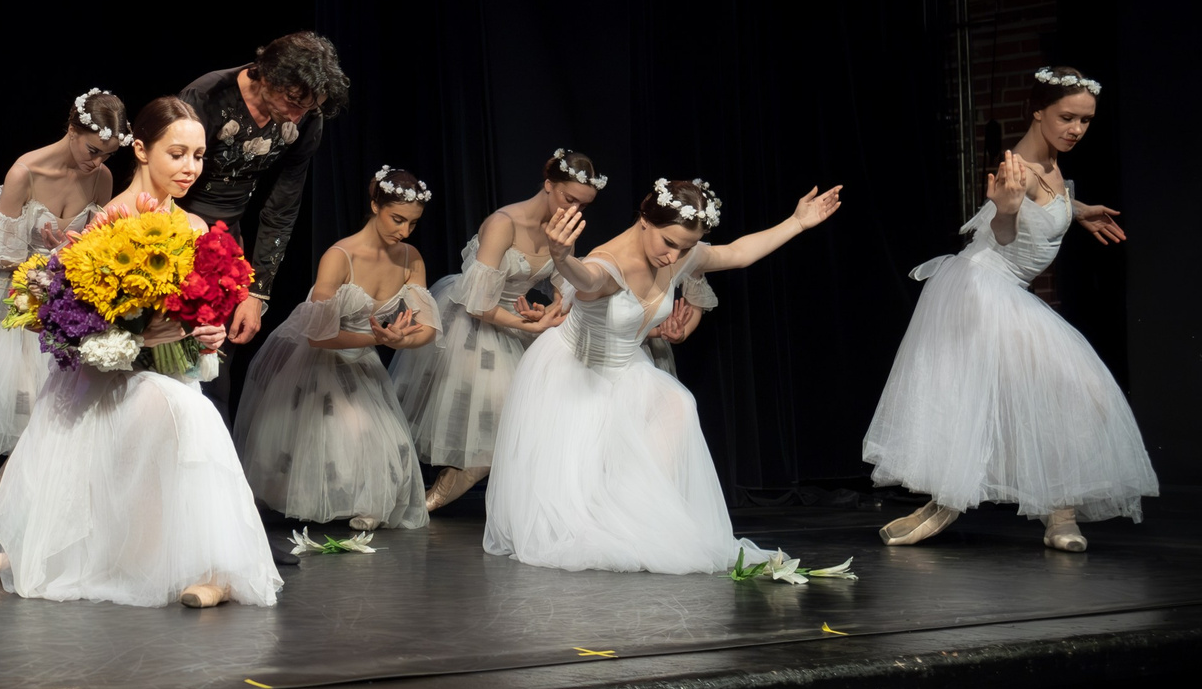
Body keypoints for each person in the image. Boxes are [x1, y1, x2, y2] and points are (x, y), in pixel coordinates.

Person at [0, 96, 283, 609]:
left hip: (164, 372)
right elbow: (77, 319)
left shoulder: (191, 227)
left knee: (188, 411)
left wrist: (204, 333)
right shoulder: (106, 224)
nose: (190, 168)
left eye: (198, 156)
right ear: (141, 150)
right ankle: (62, 550)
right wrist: (125, 337)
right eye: (177, 154)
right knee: (183, 413)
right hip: (111, 371)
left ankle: (215, 568)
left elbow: (196, 318)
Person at [483, 176, 841, 573]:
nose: (675, 257)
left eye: (685, 248)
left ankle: (637, 512)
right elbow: (587, 279)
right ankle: (605, 518)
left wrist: (797, 222)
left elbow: (737, 253)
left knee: (678, 404)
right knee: (578, 488)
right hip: (577, 369)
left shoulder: (681, 255)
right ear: (644, 220)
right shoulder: (609, 261)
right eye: (669, 243)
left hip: (627, 367)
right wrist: (563, 257)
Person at [863, 66, 1152, 551]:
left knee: (1058, 396)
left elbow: (1050, 197)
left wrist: (1077, 211)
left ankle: (1057, 512)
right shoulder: (1016, 169)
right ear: (1038, 112)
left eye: (1085, 120)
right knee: (1049, 392)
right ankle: (949, 503)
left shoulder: (1051, 166)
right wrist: (1007, 209)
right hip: (982, 286)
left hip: (1005, 290)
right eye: (1066, 118)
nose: (1076, 129)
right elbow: (1002, 232)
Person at [0, 90, 124, 530]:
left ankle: (3, 488)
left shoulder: (102, 178)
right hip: (11, 296)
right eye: (93, 151)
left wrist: (74, 254)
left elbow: (97, 241)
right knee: (21, 398)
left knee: (59, 403)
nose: (97, 162)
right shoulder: (26, 171)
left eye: (107, 154)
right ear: (72, 130)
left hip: (61, 299)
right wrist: (44, 256)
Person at [392, 149, 595, 512]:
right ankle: (411, 497)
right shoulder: (505, 223)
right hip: (470, 324)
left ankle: (433, 499)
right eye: (569, 199)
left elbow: (564, 292)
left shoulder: (561, 232)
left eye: (583, 205)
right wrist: (527, 323)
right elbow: (477, 303)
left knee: (517, 425)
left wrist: (546, 310)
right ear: (549, 185)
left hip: (513, 326)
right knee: (487, 423)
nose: (574, 211)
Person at [238, 166, 438, 532]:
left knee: (379, 439)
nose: (404, 231)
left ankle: (364, 504)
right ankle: (313, 502)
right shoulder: (340, 256)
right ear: (375, 202)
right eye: (397, 219)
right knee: (337, 431)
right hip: (320, 358)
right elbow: (318, 336)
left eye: (412, 223)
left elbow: (426, 327)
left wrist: (403, 340)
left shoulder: (411, 258)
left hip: (363, 360)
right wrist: (380, 339)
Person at [177, 31, 352, 386]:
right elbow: (162, 174)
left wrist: (257, 292)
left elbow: (283, 206)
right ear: (268, 75)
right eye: (293, 100)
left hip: (229, 243)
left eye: (310, 106)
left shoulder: (305, 116)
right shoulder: (207, 95)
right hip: (175, 228)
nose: (299, 114)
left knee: (216, 372)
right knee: (173, 357)